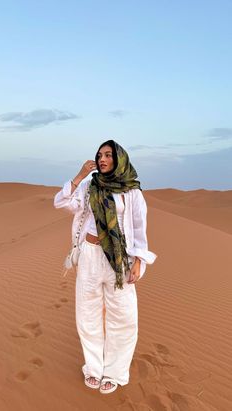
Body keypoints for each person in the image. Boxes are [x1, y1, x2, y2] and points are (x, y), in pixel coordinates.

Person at [54, 140, 157, 394]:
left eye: (108, 155)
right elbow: (61, 203)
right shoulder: (90, 185)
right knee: (87, 314)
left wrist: (138, 260)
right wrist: (79, 176)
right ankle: (94, 368)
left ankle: (114, 372)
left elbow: (139, 229)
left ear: (119, 158)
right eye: (100, 155)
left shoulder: (132, 192)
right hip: (89, 255)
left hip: (118, 259)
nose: (102, 159)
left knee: (123, 316)